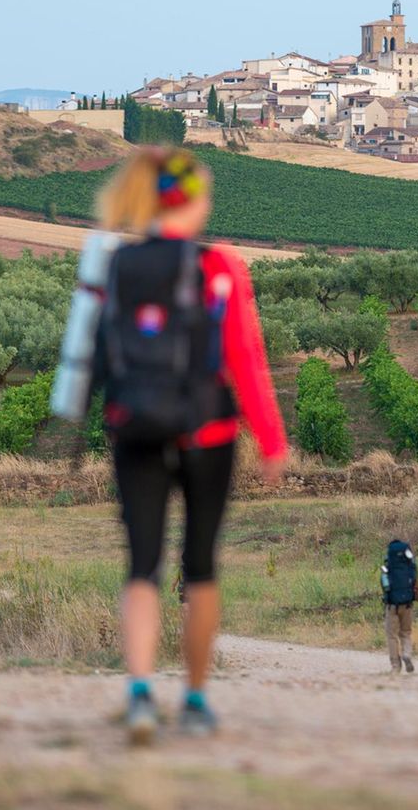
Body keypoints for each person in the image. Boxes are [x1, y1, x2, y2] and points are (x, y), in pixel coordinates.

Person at [91, 146, 287, 747]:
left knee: (141, 566)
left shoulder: (114, 265)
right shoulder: (221, 266)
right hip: (208, 431)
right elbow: (245, 360)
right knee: (199, 567)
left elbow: (97, 357)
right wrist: (272, 441)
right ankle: (196, 701)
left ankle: (142, 695)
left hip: (135, 430)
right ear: (195, 200)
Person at [380, 539, 418, 673]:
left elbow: (384, 584)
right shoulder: (410, 566)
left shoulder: (387, 565)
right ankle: (407, 654)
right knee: (406, 633)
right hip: (407, 604)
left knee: (392, 635)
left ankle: (395, 666)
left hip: (392, 605)